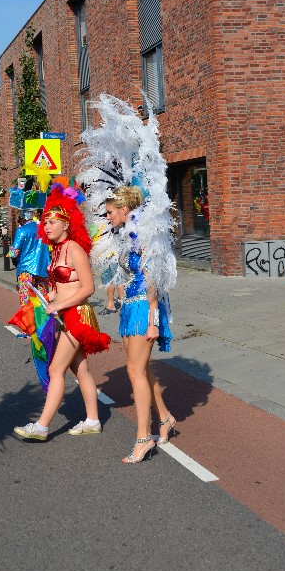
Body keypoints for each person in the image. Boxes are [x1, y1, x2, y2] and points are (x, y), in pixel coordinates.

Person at [13, 181, 110, 441]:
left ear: (66, 224)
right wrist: (46, 298)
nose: (46, 227)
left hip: (78, 315)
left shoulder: (75, 249)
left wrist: (60, 304)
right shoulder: (56, 251)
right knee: (80, 370)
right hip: (64, 315)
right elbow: (62, 287)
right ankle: (92, 420)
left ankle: (42, 426)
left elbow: (88, 287)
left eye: (52, 222)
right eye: (45, 223)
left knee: (56, 370)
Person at [105, 186, 174, 463]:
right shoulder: (127, 234)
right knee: (141, 370)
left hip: (144, 308)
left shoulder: (142, 234)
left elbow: (153, 277)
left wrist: (154, 322)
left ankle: (143, 439)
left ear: (124, 210)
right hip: (131, 307)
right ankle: (166, 418)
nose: (108, 217)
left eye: (110, 212)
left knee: (135, 373)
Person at [9, 210, 50, 307]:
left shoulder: (21, 230)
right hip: (43, 268)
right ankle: (43, 320)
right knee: (43, 299)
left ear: (23, 220)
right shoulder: (43, 228)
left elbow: (14, 252)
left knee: (25, 299)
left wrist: (10, 255)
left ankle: (27, 320)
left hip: (26, 269)